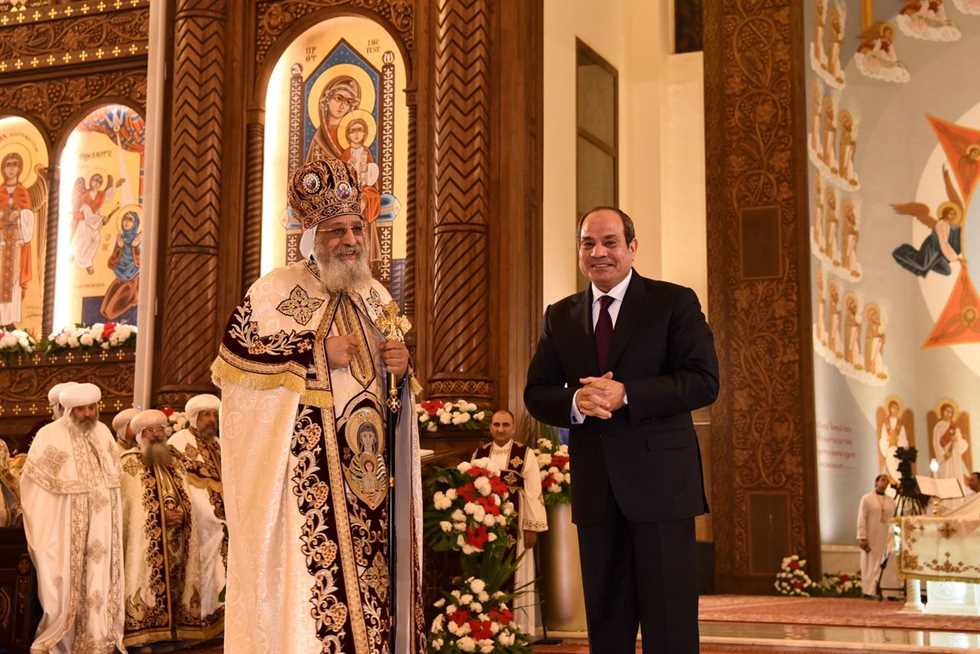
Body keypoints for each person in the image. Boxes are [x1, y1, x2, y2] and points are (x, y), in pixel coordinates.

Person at [211, 156, 424, 653]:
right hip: (309, 485)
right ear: (312, 236)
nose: (351, 239)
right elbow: (237, 366)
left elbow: (393, 390)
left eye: (357, 228)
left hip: (372, 484)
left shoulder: (375, 296)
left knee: (374, 593)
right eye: (336, 230)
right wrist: (311, 353)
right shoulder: (276, 291)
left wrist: (403, 366)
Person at [524, 206, 719, 654]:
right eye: (588, 243)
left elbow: (704, 381)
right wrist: (575, 401)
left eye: (610, 242)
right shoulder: (561, 315)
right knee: (607, 627)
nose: (599, 252)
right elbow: (536, 393)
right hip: (597, 492)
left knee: (669, 628)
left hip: (663, 490)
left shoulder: (673, 302)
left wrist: (627, 394)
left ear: (632, 248)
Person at [20, 382, 125, 653]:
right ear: (68, 410)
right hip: (65, 525)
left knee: (99, 581)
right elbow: (35, 486)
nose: (89, 414)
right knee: (63, 586)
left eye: (92, 408)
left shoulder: (103, 433)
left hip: (102, 525)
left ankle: (97, 638)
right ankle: (62, 640)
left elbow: (114, 478)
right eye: (81, 409)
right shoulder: (50, 435)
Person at [120, 410, 223, 647]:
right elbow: (132, 507)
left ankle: (176, 630)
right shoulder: (129, 463)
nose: (157, 435)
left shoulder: (174, 460)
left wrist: (184, 513)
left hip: (179, 534)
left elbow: (187, 495)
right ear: (140, 435)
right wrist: (160, 515)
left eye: (160, 430)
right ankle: (144, 635)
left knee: (180, 581)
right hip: (148, 539)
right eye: (150, 431)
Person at [470, 409, 547, 635]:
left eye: (505, 425)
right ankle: (489, 628)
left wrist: (532, 526)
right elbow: (471, 488)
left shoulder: (525, 454)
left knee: (518, 571)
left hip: (517, 527)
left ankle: (518, 628)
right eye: (496, 425)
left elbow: (533, 491)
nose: (500, 429)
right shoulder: (480, 453)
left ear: (512, 427)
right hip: (487, 524)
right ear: (491, 427)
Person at [168, 393, 227, 628]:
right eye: (206, 415)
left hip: (224, 512)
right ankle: (203, 614)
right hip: (198, 514)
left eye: (214, 415)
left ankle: (223, 614)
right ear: (193, 418)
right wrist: (207, 512)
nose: (211, 420)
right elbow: (178, 481)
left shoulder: (219, 443)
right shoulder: (179, 441)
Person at [0, 152, 36, 328]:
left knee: (13, 282)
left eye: (14, 164)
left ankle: (9, 320)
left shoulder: (23, 192)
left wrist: (20, 214)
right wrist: (5, 215)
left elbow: (29, 217)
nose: (11, 168)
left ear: (20, 168)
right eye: (8, 164)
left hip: (15, 245)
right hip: (1, 243)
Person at [857, 474, 896, 597]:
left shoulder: (891, 501)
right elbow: (861, 518)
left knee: (887, 564)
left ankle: (886, 591)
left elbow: (895, 519)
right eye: (882, 480)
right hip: (871, 537)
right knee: (870, 564)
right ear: (876, 482)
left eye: (887, 481)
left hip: (886, 537)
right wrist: (862, 537)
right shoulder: (867, 499)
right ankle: (869, 591)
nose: (885, 483)